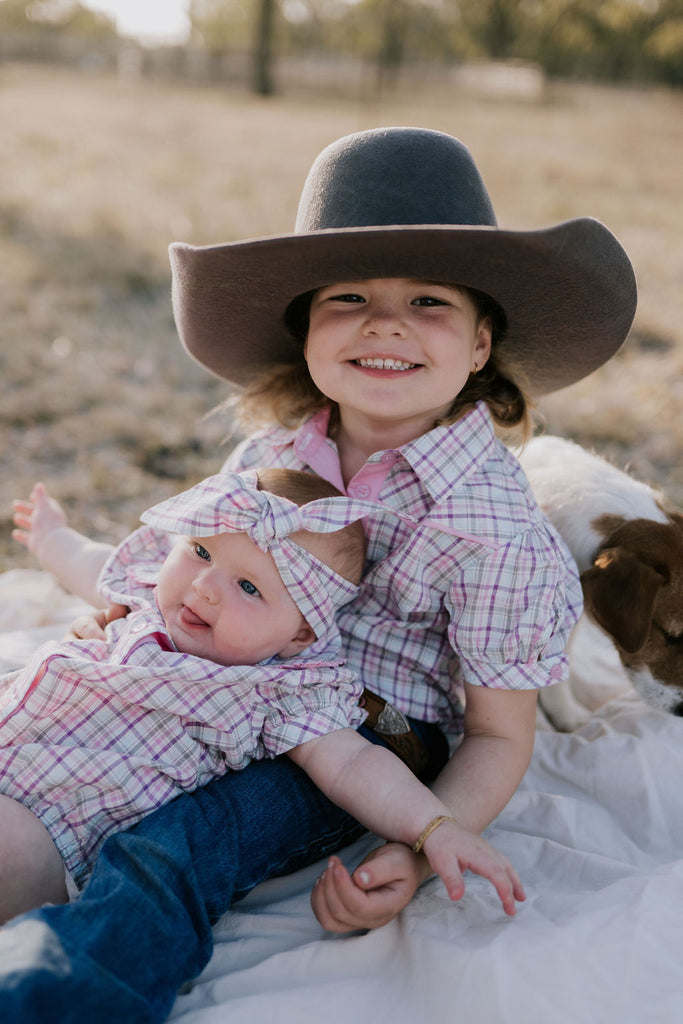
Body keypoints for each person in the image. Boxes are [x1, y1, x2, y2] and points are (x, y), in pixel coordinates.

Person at [0, 127, 637, 1023]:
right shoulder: (273, 456)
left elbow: (498, 735)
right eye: (348, 297)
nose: (384, 324)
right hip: (223, 675)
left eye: (426, 301)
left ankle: (54, 995)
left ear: (482, 342)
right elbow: (191, 567)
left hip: (367, 737)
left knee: (181, 840)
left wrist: (418, 845)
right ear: (305, 332)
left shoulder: (491, 530)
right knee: (60, 736)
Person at [4, 466, 505, 923]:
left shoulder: (279, 694)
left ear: (299, 636)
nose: (205, 586)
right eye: (201, 551)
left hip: (48, 821)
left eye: (249, 587)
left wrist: (434, 827)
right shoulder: (147, 599)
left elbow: (356, 766)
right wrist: (52, 537)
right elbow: (92, 565)